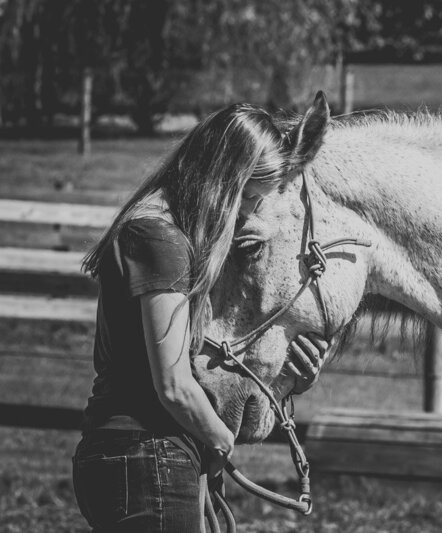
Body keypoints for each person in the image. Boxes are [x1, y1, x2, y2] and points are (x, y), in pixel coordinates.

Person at [72, 103, 327, 532]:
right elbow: (173, 386)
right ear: (222, 178)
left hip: (140, 452)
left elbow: (196, 361)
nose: (247, 211)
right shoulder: (161, 239)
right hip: (148, 449)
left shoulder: (165, 235)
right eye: (247, 196)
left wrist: (290, 373)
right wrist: (219, 438)